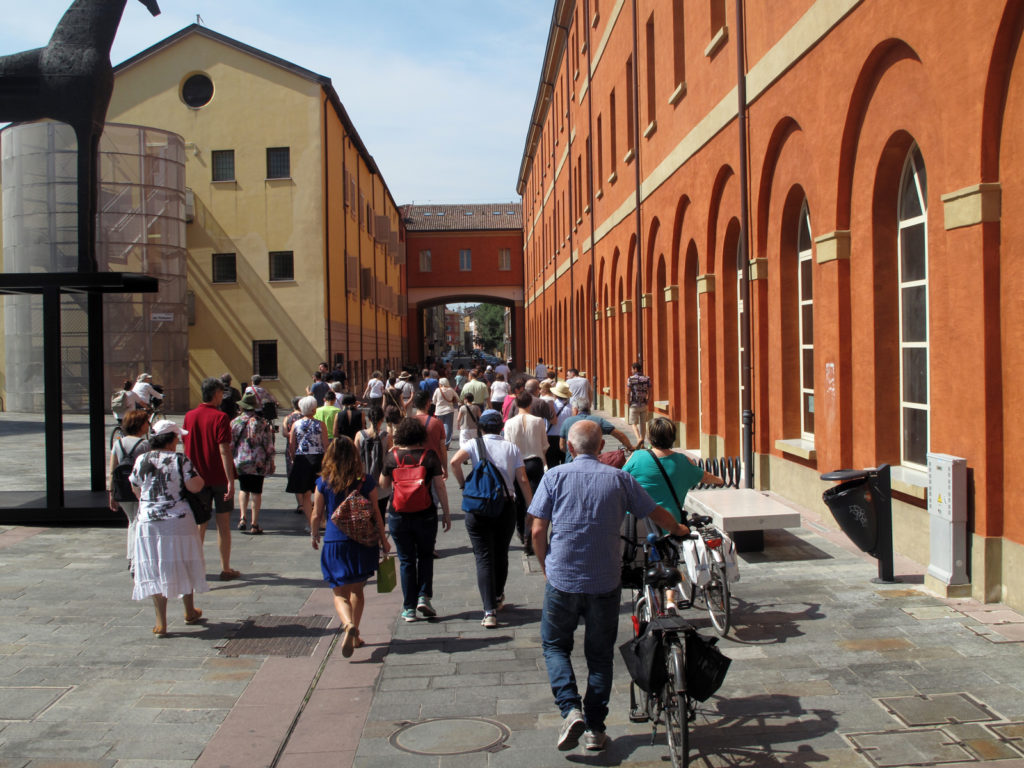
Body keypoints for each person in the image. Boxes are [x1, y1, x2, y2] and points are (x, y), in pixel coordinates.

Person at [528, 420, 689, 752]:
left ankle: (570, 708)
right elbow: (657, 513)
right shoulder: (620, 479)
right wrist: (679, 529)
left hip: (563, 579)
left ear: (568, 448)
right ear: (601, 448)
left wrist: (546, 566)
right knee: (600, 656)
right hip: (605, 579)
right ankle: (595, 729)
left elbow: (537, 531)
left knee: (555, 646)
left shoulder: (554, 477)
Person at [623, 417, 724, 609]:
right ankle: (670, 600)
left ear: (651, 437)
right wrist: (719, 480)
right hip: (671, 523)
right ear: (673, 438)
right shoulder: (682, 462)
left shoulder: (637, 458)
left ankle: (646, 594)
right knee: (670, 559)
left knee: (642, 561)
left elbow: (621, 479)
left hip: (639, 522)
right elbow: (706, 477)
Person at [450, 411, 533, 628]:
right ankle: (497, 595)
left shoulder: (474, 445)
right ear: (501, 427)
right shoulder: (511, 448)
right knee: (501, 552)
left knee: (483, 557)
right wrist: (531, 506)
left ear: (482, 428)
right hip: (505, 506)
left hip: (478, 506)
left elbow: (454, 462)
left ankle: (489, 611)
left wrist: (463, 485)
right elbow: (522, 479)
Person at [311, 436, 391, 658]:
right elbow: (376, 512)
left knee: (339, 593)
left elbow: (317, 514)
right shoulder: (365, 481)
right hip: (362, 541)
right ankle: (355, 633)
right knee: (358, 590)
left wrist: (314, 533)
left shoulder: (324, 482)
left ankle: (347, 625)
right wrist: (383, 540)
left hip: (335, 542)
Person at [130, 420, 209, 637]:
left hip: (149, 520)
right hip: (177, 518)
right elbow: (195, 485)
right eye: (177, 437)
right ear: (171, 439)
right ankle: (189, 610)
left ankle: (161, 621)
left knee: (154, 565)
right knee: (184, 561)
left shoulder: (142, 459)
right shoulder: (179, 459)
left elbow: (135, 485)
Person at [378, 417, 451, 622]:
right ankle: (424, 597)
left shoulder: (392, 457)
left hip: (398, 514)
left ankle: (408, 607)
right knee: (425, 556)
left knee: (406, 560)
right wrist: (445, 513)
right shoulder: (429, 457)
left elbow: (383, 485)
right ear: (420, 435)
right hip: (425, 513)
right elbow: (440, 486)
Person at [182, 377, 238, 581]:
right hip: (218, 476)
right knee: (223, 523)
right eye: (221, 393)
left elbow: (185, 445)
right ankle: (225, 567)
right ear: (216, 394)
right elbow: (224, 450)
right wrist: (230, 479)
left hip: (196, 477)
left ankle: (195, 568)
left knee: (200, 523)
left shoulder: (189, 416)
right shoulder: (220, 417)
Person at [501, 392, 548, 554]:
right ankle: (531, 534)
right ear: (530, 404)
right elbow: (544, 445)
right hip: (535, 462)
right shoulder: (539, 421)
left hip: (517, 463)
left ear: (516, 404)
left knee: (519, 499)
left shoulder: (509, 423)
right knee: (535, 499)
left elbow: (506, 446)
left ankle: (521, 531)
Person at [108, 409, 151, 566]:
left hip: (121, 488)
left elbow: (112, 471)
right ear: (139, 425)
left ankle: (132, 557)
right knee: (136, 521)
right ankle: (134, 558)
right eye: (146, 422)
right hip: (139, 488)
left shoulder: (118, 443)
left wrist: (111, 493)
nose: (148, 425)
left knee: (132, 520)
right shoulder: (145, 444)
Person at [231, 393, 276, 535]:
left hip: (241, 459)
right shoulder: (262, 423)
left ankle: (242, 517)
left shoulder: (235, 423)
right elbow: (268, 445)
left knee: (244, 489)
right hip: (258, 461)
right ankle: (254, 523)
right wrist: (271, 461)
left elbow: (231, 444)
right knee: (256, 492)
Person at [286, 396, 327, 528]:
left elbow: (292, 445)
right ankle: (320, 520)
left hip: (302, 458)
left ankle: (311, 522)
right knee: (320, 490)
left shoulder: (295, 424)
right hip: (318, 458)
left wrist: (293, 458)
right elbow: (326, 444)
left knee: (305, 493)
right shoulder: (320, 424)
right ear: (314, 409)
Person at [559, 396, 638, 463]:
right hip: (594, 461)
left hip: (572, 461)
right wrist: (630, 446)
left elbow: (562, 446)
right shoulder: (598, 420)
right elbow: (619, 434)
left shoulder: (567, 422)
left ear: (576, 409)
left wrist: (571, 452)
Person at [355, 404, 392, 522]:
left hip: (363, 479)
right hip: (381, 481)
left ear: (369, 419)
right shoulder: (387, 436)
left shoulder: (359, 435)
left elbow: (355, 457)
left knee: (365, 514)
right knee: (380, 512)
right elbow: (390, 457)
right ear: (382, 419)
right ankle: (380, 537)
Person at [411, 390, 448, 478]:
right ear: (428, 403)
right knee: (437, 490)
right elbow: (442, 447)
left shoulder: (407, 423)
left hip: (414, 464)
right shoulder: (437, 423)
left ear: (414, 404)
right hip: (433, 464)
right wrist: (445, 467)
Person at [282, 396, 304, 514]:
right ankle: (307, 501)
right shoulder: (306, 418)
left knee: (294, 475)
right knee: (305, 476)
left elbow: (285, 433)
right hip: (304, 448)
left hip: (291, 448)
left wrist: (292, 433)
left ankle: (300, 504)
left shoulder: (288, 418)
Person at [545, 380, 574, 468]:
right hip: (566, 438)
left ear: (555, 394)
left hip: (551, 438)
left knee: (552, 465)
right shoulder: (571, 408)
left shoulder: (550, 406)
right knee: (566, 464)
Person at [626, 362, 653, 446]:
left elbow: (627, 392)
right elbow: (650, 391)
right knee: (643, 424)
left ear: (635, 369)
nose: (631, 371)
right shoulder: (647, 379)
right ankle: (642, 443)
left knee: (633, 423)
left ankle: (639, 439)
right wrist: (648, 400)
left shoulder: (631, 379)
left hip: (634, 404)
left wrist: (628, 402)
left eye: (632, 369)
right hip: (644, 404)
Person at [432, 377, 460, 448]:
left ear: (441, 383)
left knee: (439, 427)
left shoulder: (437, 390)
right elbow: (458, 398)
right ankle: (446, 444)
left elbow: (434, 401)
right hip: (449, 410)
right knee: (448, 428)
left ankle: (439, 443)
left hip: (439, 411)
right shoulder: (451, 390)